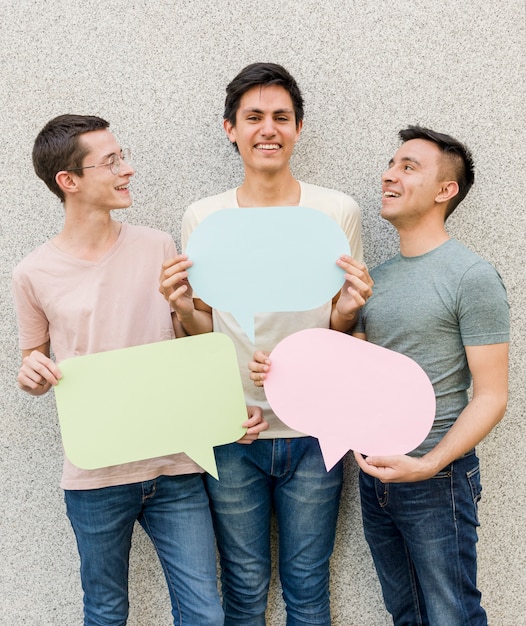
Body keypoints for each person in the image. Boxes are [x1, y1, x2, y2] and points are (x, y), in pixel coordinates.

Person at [12, 114, 266, 626]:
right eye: (111, 162)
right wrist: (31, 374)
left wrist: (226, 408)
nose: (127, 169)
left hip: (177, 468)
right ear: (69, 181)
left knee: (205, 615)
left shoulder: (158, 247)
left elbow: (192, 341)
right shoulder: (31, 273)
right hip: (95, 474)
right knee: (106, 612)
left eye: (122, 156)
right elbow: (31, 359)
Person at [253, 126, 509, 625]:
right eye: (391, 164)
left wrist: (430, 463)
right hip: (376, 475)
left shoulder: (471, 276)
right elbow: (352, 373)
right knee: (406, 614)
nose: (389, 175)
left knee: (453, 613)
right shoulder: (377, 279)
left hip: (438, 478)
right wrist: (282, 371)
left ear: (445, 190)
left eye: (408, 167)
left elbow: (492, 395)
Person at [159, 62, 373, 625]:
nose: (268, 129)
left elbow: (342, 333)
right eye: (253, 117)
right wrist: (181, 307)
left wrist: (347, 314)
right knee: (245, 585)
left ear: (299, 128)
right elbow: (203, 332)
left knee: (307, 585)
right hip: (234, 429)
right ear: (230, 128)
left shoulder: (336, 211)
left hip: (313, 432)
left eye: (281, 117)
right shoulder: (205, 216)